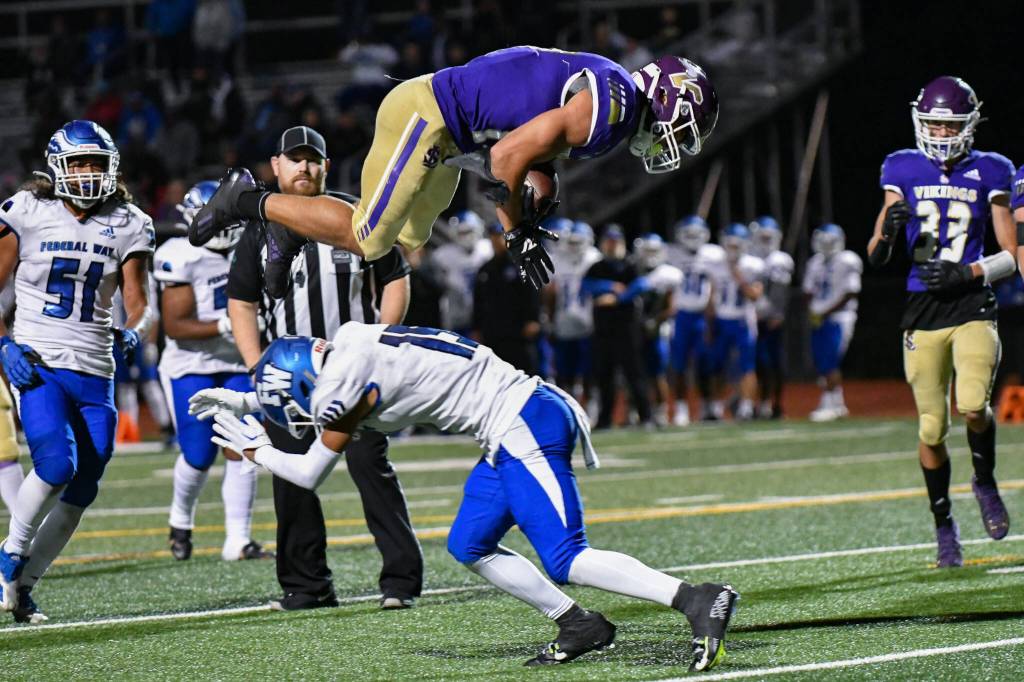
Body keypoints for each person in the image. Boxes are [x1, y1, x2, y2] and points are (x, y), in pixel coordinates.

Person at [190, 323, 740, 671]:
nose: (294, 414)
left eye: (289, 402)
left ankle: (695, 597)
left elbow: (309, 472)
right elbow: (324, 397)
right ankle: (579, 623)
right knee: (470, 544)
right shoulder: (350, 343)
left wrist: (258, 449)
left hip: (523, 419)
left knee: (566, 554)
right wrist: (245, 403)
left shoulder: (344, 385)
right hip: (506, 423)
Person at [188, 49, 718, 295]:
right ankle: (247, 198)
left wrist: (540, 194)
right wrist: (515, 233)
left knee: (409, 235)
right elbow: (507, 160)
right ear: (670, 99)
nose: (679, 141)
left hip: (453, 133)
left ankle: (293, 222)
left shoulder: (612, 97)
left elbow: (527, 155)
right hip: (433, 113)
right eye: (686, 126)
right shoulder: (614, 107)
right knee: (369, 238)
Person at [225, 126, 423, 610]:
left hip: (353, 373)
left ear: (326, 166)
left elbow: (395, 278)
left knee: (368, 468)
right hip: (289, 379)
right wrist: (256, 367)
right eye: (294, 160)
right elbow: (241, 301)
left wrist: (382, 339)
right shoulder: (260, 224)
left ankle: (400, 583)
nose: (304, 168)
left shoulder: (354, 216)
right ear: (276, 166)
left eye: (313, 160)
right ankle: (305, 586)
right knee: (291, 483)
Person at [0, 120, 155, 622]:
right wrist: (4, 345)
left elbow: (138, 301)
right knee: (56, 465)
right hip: (40, 360)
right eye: (78, 163)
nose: (87, 173)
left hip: (96, 368)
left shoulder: (130, 221)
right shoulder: (26, 212)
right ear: (56, 167)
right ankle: (9, 554)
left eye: (95, 163)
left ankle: (24, 585)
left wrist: (136, 328)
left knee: (84, 485)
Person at [867, 76, 1016, 567]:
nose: (939, 130)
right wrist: (887, 237)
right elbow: (876, 254)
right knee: (931, 428)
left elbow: (1012, 256)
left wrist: (968, 270)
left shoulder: (992, 169)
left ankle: (985, 480)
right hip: (922, 307)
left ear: (969, 125)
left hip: (972, 301)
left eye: (949, 123)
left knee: (974, 404)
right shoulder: (900, 166)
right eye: (932, 120)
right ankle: (944, 523)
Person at [155, 180, 272, 561]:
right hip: (193, 364)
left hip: (238, 361)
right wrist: (229, 324)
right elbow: (175, 326)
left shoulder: (253, 246)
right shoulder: (180, 254)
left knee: (246, 444)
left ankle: (238, 539)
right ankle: (180, 520)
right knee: (199, 453)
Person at [584, 225, 653, 429]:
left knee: (634, 373)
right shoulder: (597, 267)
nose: (612, 246)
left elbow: (640, 286)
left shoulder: (631, 265)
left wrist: (617, 299)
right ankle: (605, 418)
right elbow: (586, 285)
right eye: (609, 241)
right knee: (605, 374)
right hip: (604, 328)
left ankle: (646, 416)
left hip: (627, 327)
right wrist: (610, 287)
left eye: (616, 242)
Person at [802, 224, 862, 422]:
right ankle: (837, 403)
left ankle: (828, 403)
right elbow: (808, 291)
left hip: (840, 317)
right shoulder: (815, 262)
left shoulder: (847, 260)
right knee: (822, 361)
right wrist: (813, 311)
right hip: (820, 317)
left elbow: (851, 292)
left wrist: (824, 312)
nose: (827, 246)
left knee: (830, 360)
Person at [665, 216, 720, 425]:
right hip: (680, 316)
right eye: (688, 234)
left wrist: (711, 312)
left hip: (701, 315)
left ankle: (709, 406)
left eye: (696, 234)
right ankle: (681, 408)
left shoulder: (713, 255)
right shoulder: (671, 253)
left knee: (706, 362)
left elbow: (716, 285)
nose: (692, 239)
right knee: (679, 364)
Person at [706, 223, 763, 421]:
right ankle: (715, 408)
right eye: (729, 245)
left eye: (736, 246)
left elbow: (755, 295)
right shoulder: (715, 264)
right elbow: (712, 295)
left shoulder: (752, 265)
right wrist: (709, 322)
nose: (733, 250)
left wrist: (739, 277)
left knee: (747, 366)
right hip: (721, 320)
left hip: (743, 321)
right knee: (716, 366)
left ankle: (746, 408)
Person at [472, 223, 542, 373]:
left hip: (518, 331)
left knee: (523, 371)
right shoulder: (485, 270)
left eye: (500, 236)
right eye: (493, 237)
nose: (496, 240)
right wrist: (476, 327)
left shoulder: (522, 264)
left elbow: (533, 294)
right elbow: (478, 301)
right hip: (492, 331)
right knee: (495, 372)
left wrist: (533, 319)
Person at [545, 220, 600, 405]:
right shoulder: (558, 259)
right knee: (564, 371)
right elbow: (550, 293)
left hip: (590, 324)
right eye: (572, 242)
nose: (574, 246)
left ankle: (590, 405)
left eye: (578, 242)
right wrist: (550, 318)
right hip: (564, 322)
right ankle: (567, 407)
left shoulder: (595, 259)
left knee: (589, 371)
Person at [632, 233, 683, 425]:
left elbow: (671, 306)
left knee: (657, 373)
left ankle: (661, 411)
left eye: (654, 251)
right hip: (636, 330)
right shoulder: (634, 271)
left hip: (658, 332)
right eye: (646, 251)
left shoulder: (668, 274)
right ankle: (639, 410)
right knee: (637, 374)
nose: (650, 255)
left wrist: (655, 321)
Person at [749, 216, 793, 419]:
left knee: (774, 363)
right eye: (762, 237)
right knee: (757, 363)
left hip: (771, 320)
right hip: (752, 318)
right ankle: (759, 403)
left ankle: (776, 404)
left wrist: (778, 313)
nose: (766, 241)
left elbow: (781, 290)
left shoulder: (780, 259)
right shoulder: (750, 258)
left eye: (769, 237)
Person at [433, 210, 492, 334]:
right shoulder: (443, 255)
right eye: (462, 232)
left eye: (469, 231)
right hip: (458, 313)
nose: (466, 237)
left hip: (486, 311)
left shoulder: (487, 249)